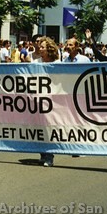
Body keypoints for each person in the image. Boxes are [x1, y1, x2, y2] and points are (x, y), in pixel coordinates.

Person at [33, 37, 61, 166]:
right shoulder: (36, 63)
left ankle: (49, 155)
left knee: (49, 127)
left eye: (43, 47)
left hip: (53, 101)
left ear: (49, 49)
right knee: (39, 127)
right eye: (40, 46)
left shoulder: (58, 64)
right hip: (38, 100)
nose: (40, 48)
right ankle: (43, 154)